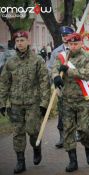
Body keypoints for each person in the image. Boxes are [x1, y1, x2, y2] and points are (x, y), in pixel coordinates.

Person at [0, 31, 50, 174]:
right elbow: (4, 83)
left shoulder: (37, 60)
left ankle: (36, 148)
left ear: (28, 41)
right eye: (17, 41)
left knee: (33, 130)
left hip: (33, 103)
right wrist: (2, 103)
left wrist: (44, 103)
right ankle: (20, 161)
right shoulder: (10, 62)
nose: (20, 43)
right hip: (15, 103)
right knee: (18, 132)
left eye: (22, 40)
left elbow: (44, 82)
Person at [52, 33, 89, 172]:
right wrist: (56, 77)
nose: (73, 46)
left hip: (83, 100)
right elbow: (54, 69)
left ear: (81, 43)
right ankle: (73, 160)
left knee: (85, 129)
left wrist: (69, 71)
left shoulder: (88, 56)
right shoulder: (62, 57)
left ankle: (88, 147)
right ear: (68, 44)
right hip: (66, 100)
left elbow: (88, 73)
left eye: (76, 44)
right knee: (68, 131)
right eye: (71, 44)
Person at [48, 26, 74, 149]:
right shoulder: (56, 52)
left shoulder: (77, 49)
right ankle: (62, 136)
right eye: (63, 35)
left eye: (67, 35)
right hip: (61, 85)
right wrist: (55, 77)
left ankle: (77, 132)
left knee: (77, 110)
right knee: (62, 111)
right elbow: (50, 68)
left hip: (76, 86)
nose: (64, 37)